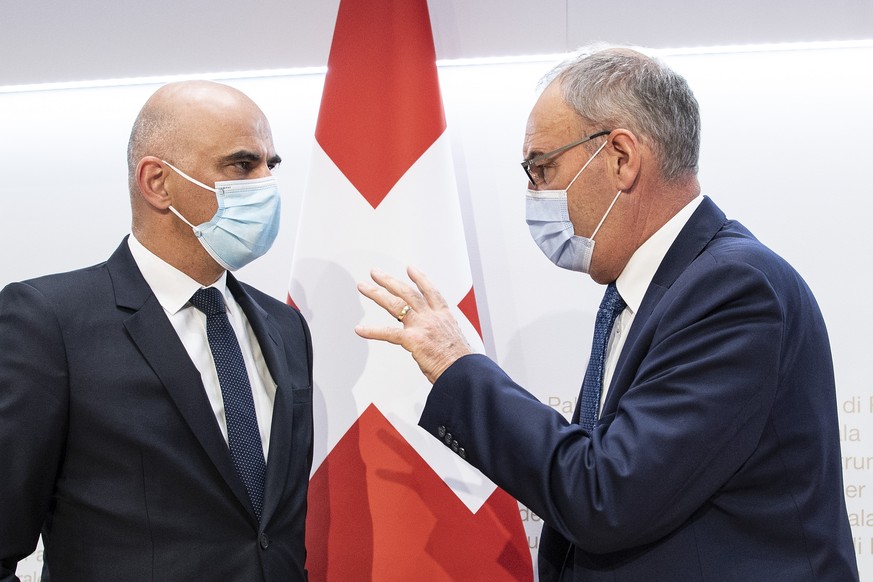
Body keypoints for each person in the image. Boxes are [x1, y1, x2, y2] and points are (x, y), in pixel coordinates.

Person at [355, 46, 859, 580]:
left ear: (621, 157)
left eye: (541, 167)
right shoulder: (648, 290)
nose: (532, 192)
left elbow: (606, 495)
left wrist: (459, 366)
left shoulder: (732, 289)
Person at [0, 81, 313, 581]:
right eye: (241, 165)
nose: (264, 184)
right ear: (158, 183)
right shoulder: (49, 321)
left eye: (269, 166)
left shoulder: (285, 326)